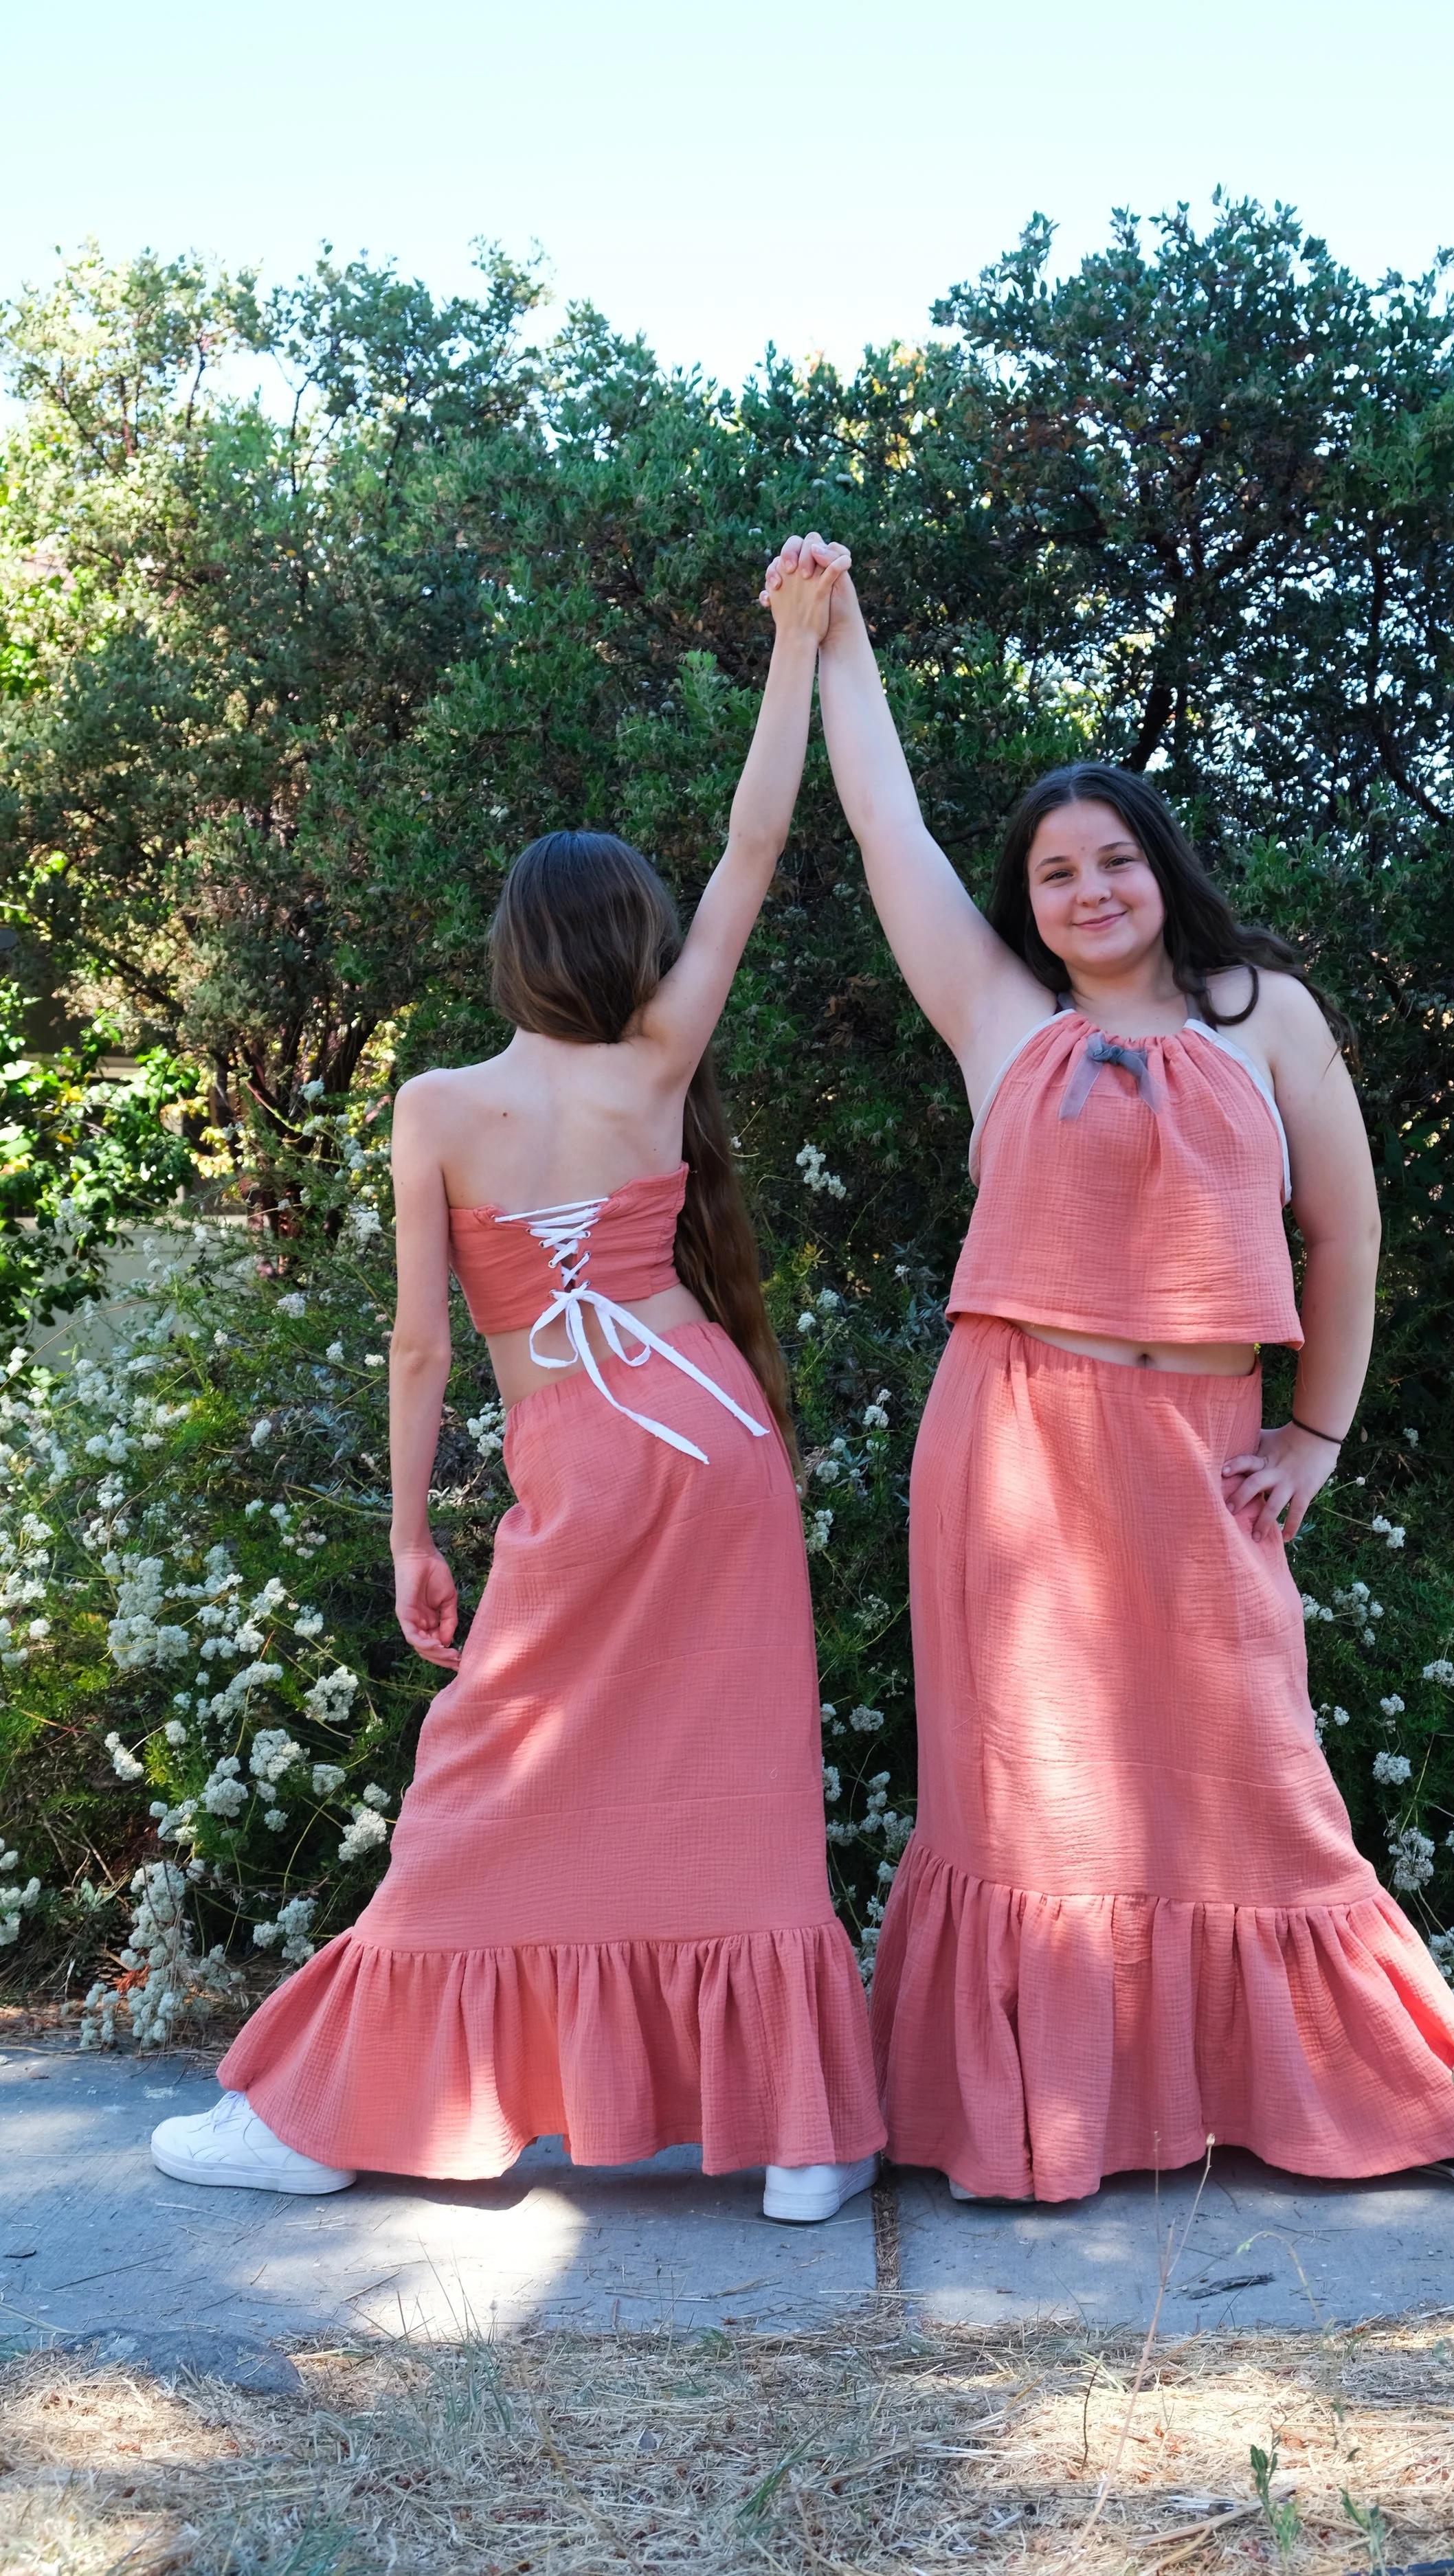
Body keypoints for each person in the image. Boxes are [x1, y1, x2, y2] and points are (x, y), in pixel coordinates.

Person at [768, 532, 1454, 2208]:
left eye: (1112, 860)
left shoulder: (1263, 1015)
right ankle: (1031, 2117)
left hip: (1204, 1443)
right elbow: (885, 826)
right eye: (1055, 873)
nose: (1088, 891)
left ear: (1159, 869)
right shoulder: (998, 1017)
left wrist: (1317, 1433)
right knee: (1027, 1796)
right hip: (1012, 1446)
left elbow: (1344, 1236)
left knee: (1256, 1778)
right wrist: (833, 638)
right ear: (1030, 904)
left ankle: (1420, 2102)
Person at [151, 543, 884, 2224]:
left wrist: (411, 1532)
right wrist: (793, 644)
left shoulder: (434, 1107)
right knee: (735, 1772)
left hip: (577, 1447)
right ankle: (806, 2138)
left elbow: (422, 1344)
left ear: (507, 952)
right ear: (632, 942)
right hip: (712, 1432)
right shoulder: (656, 1064)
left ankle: (328, 2119)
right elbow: (755, 846)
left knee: (486, 1767)